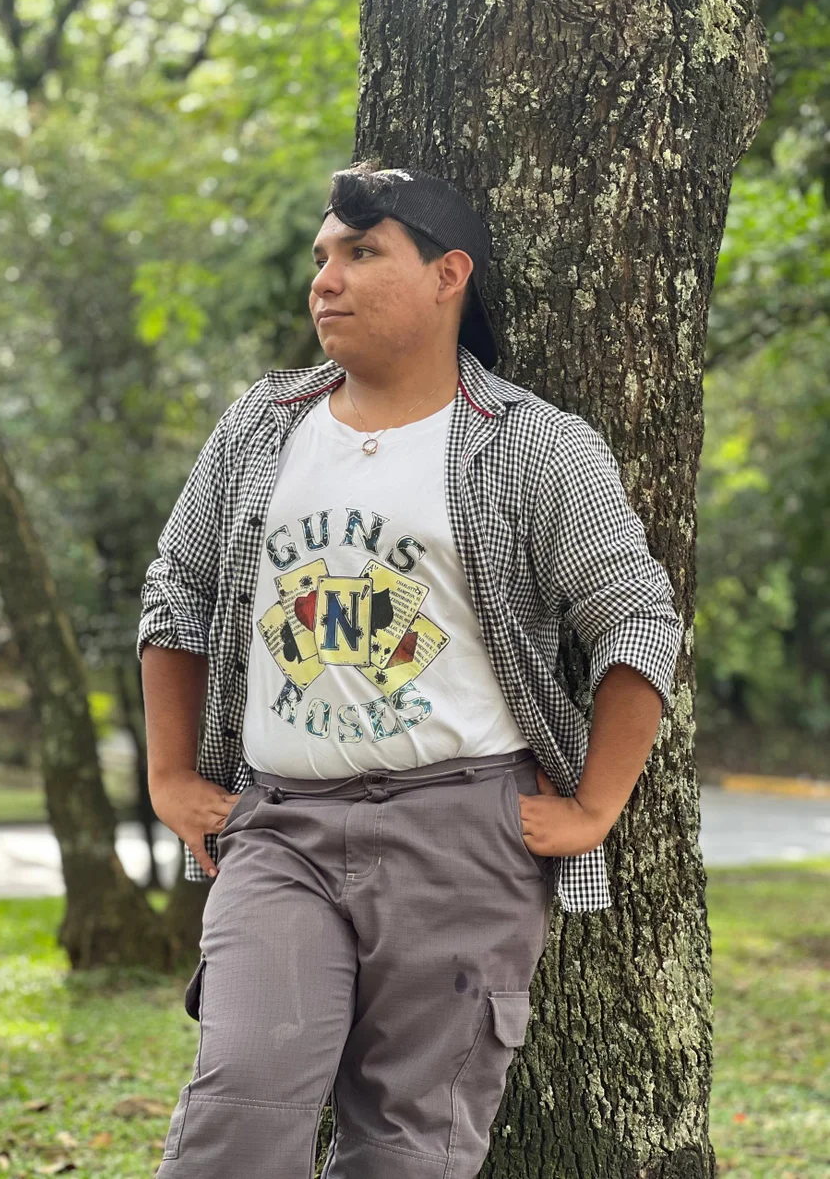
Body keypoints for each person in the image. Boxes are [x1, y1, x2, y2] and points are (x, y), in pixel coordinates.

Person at [138, 161, 683, 1178]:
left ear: (448, 275)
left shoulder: (534, 447)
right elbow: (179, 590)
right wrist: (170, 776)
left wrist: (595, 804)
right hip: (281, 829)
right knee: (240, 1104)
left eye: (360, 252)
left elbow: (636, 616)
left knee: (411, 1148)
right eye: (321, 258)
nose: (325, 280)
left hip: (462, 838)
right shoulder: (263, 428)